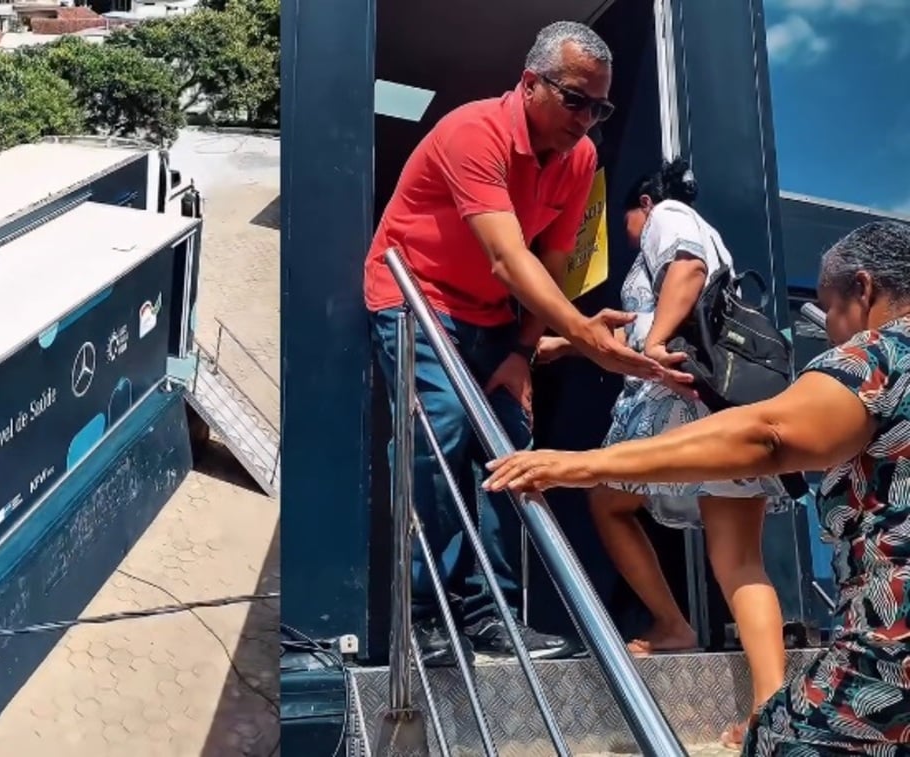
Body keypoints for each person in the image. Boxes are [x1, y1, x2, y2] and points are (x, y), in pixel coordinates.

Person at [483, 220, 910, 754]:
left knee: (781, 738)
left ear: (863, 289)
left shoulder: (878, 357)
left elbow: (767, 433)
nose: (829, 331)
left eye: (830, 310)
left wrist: (586, 463)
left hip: (891, 663)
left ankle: (693, 644)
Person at [364, 20, 692, 666]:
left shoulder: (581, 158)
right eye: (575, 100)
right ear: (530, 83)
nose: (586, 119)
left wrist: (522, 352)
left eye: (600, 109)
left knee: (511, 447)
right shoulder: (473, 132)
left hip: (490, 317)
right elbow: (509, 257)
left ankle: (492, 615)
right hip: (415, 297)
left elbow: (554, 260)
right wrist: (583, 335)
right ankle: (425, 616)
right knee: (440, 432)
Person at [531, 157, 789, 744]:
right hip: (721, 405)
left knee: (606, 501)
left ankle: (673, 623)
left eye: (627, 221)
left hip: (678, 401)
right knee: (739, 560)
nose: (628, 236)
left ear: (642, 204)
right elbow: (649, 315)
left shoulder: (667, 215)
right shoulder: (695, 235)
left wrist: (653, 345)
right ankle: (771, 710)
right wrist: (565, 344)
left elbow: (687, 271)